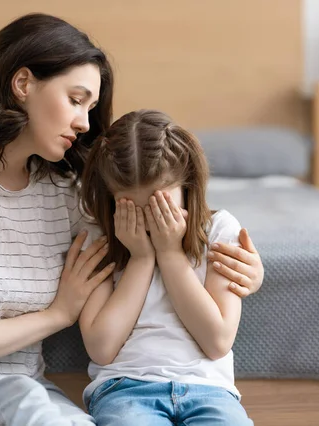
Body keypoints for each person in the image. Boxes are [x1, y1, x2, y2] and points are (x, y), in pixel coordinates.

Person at [0, 13, 263, 426]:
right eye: (75, 99)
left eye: (91, 107)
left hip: (24, 392)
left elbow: (143, 186)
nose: (85, 123)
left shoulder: (63, 191)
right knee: (17, 398)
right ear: (23, 85)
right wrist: (57, 314)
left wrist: (247, 271)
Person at [79, 109, 255, 425]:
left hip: (209, 389)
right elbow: (102, 349)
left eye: (161, 205)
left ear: (187, 185)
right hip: (124, 389)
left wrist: (171, 254)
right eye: (133, 208)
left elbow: (216, 342)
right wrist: (142, 259)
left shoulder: (219, 231)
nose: (150, 220)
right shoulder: (99, 237)